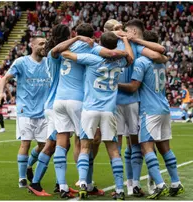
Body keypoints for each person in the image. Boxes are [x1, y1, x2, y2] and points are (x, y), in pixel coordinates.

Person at [52, 23, 128, 198]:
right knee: (113, 149)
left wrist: (77, 41)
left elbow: (63, 53)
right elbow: (128, 57)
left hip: (89, 107)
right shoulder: (120, 61)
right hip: (109, 110)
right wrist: (123, 44)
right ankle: (120, 189)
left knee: (84, 146)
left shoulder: (92, 57)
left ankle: (83, 184)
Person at [27, 24, 97, 199]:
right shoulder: (60, 53)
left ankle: (61, 184)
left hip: (55, 101)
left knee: (62, 144)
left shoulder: (53, 53)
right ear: (69, 36)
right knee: (54, 145)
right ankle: (35, 183)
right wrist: (80, 39)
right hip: (56, 103)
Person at [118, 31, 184, 199]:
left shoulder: (141, 61)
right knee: (165, 148)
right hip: (164, 107)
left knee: (145, 147)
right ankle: (176, 183)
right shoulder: (161, 63)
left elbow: (133, 87)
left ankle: (160, 184)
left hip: (149, 110)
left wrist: (114, 84)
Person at [105, 19, 167, 196]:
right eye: (116, 29)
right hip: (113, 102)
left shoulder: (133, 46)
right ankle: (120, 185)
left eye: (122, 28)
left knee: (135, 145)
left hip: (133, 100)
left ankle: (133, 185)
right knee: (116, 146)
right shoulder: (105, 47)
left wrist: (164, 57)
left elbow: (158, 56)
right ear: (108, 32)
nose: (120, 30)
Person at [0, 36, 52, 194]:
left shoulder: (49, 62)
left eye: (45, 44)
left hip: (44, 111)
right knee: (25, 144)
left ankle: (28, 165)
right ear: (32, 45)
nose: (44, 46)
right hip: (25, 109)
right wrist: (0, 93)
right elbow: (5, 78)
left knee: (44, 146)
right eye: (41, 43)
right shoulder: (21, 62)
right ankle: (22, 178)